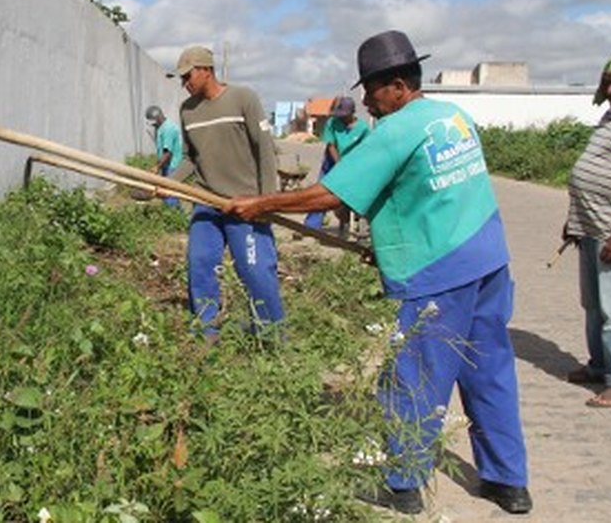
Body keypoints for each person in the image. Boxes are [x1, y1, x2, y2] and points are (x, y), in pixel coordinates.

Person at [224, 30, 531, 516]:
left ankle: (403, 484)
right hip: (488, 260)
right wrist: (387, 245)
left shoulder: (397, 129)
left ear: (398, 85)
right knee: (489, 371)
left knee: (414, 376)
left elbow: (332, 195)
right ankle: (508, 482)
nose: (367, 101)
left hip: (440, 272)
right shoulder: (452, 116)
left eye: (372, 88)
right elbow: (430, 192)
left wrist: (261, 205)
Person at [165, 45, 283, 338]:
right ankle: (205, 332)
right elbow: (191, 158)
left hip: (245, 204)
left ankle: (272, 335)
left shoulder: (243, 98)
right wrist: (169, 184)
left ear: (206, 70)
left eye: (188, 76)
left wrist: (266, 201)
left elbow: (264, 151)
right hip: (207, 202)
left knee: (255, 271)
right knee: (200, 263)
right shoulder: (187, 110)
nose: (185, 83)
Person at [562, 51, 611, 408]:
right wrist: (572, 222)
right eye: (609, 82)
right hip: (590, 222)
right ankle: (600, 366)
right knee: (593, 303)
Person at [303, 96, 370, 234]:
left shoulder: (363, 128)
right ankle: (311, 226)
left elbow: (366, 149)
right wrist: (339, 164)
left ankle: (358, 226)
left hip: (353, 165)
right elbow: (331, 145)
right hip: (332, 162)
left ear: (352, 113)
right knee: (321, 193)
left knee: (357, 195)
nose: (341, 118)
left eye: (344, 115)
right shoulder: (332, 123)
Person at [145, 105, 184, 208]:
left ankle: (173, 216)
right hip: (167, 165)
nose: (153, 126)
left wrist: (157, 167)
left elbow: (168, 153)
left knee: (169, 192)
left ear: (158, 118)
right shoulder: (162, 127)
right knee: (168, 191)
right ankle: (175, 215)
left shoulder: (168, 129)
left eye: (154, 123)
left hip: (172, 165)